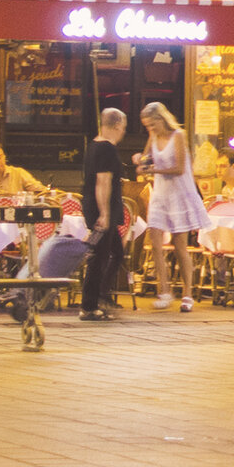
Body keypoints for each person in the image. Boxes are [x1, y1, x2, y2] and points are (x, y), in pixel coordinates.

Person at [137, 102, 210, 311]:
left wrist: (154, 171)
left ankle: (187, 293)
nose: (150, 129)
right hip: (160, 195)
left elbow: (178, 168)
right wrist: (141, 163)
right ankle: (165, 290)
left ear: (161, 119)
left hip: (179, 195)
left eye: (152, 124)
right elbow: (145, 160)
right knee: (156, 245)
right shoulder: (153, 137)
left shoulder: (178, 135)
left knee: (180, 246)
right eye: (147, 126)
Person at [76, 108, 128, 321]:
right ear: (117, 126)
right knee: (99, 258)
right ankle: (89, 306)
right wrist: (105, 213)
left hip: (96, 207)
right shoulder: (107, 148)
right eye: (123, 128)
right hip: (102, 209)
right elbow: (103, 182)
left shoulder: (93, 146)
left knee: (117, 252)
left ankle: (102, 295)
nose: (123, 132)